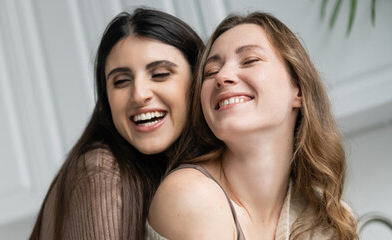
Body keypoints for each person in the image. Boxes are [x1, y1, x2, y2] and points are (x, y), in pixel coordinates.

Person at [147, 12, 358, 240]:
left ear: (298, 88)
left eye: (250, 60)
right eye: (211, 72)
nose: (223, 76)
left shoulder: (326, 214)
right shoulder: (191, 194)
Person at [29, 8, 204, 240]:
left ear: (198, 79)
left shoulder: (184, 175)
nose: (139, 94)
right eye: (121, 81)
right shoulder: (99, 172)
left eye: (160, 74)